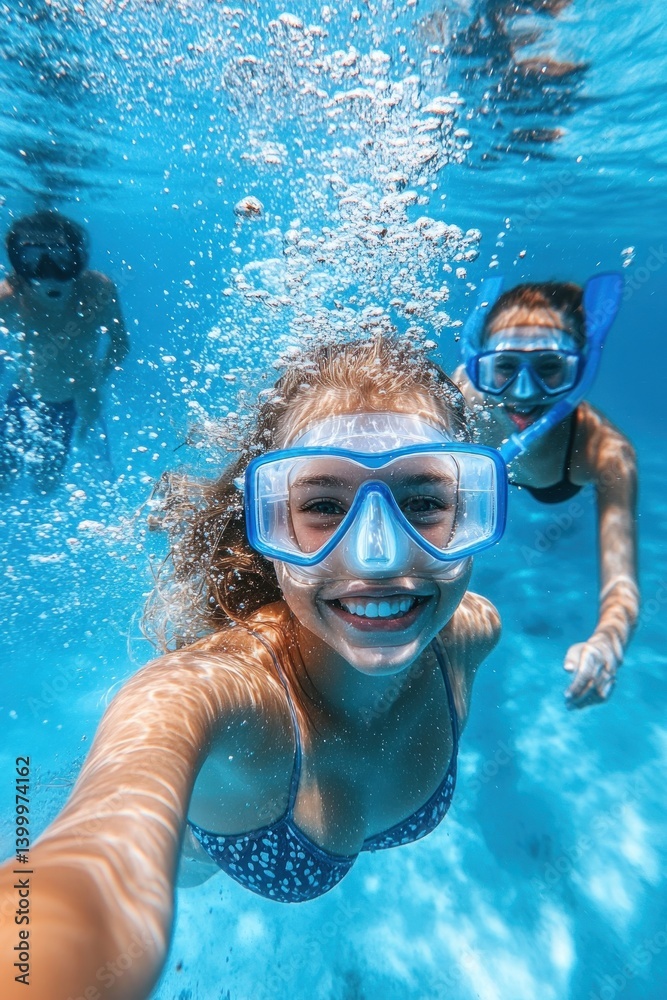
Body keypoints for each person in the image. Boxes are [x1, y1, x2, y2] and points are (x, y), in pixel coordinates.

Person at [0, 337, 505, 999]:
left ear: (471, 512)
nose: (378, 558)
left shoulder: (470, 633)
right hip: (199, 849)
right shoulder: (204, 693)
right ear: (268, 524)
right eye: (323, 506)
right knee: (190, 861)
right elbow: (87, 868)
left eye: (423, 503)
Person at [454, 279, 638, 709]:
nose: (523, 392)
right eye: (505, 367)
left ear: (582, 370)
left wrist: (608, 642)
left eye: (550, 366)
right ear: (480, 363)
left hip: (557, 484)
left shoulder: (605, 452)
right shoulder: (462, 395)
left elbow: (622, 580)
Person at [0, 210, 129, 492]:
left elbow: (120, 345)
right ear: (17, 262)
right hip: (23, 399)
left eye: (60, 257)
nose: (48, 271)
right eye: (32, 258)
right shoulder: (9, 297)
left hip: (75, 404)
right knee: (2, 480)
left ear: (78, 258)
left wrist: (95, 381)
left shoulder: (98, 291)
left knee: (46, 486)